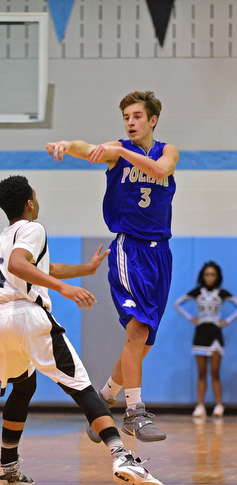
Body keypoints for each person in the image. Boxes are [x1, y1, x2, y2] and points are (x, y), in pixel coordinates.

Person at [0, 175, 164, 485]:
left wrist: (86, 269)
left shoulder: (5, 236)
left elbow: (42, 267)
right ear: (30, 203)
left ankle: (6, 467)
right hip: (26, 318)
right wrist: (64, 288)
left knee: (24, 387)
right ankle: (122, 457)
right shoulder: (33, 228)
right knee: (81, 387)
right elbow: (20, 265)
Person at [46, 90, 179, 443]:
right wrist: (66, 143)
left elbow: (161, 170)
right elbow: (86, 148)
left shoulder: (167, 151)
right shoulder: (117, 150)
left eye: (137, 116)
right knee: (136, 333)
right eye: (126, 118)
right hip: (129, 250)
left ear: (152, 120)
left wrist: (122, 152)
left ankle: (103, 399)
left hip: (160, 254)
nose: (131, 122)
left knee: (143, 341)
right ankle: (134, 411)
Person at [174, 261, 237, 418]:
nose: (210, 277)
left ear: (217, 277)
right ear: (203, 276)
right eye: (207, 274)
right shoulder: (198, 292)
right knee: (202, 372)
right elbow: (177, 304)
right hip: (200, 333)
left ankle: (219, 405)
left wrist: (226, 321)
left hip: (215, 333)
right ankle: (200, 405)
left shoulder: (221, 293)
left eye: (213, 274)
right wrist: (191, 318)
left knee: (215, 372)